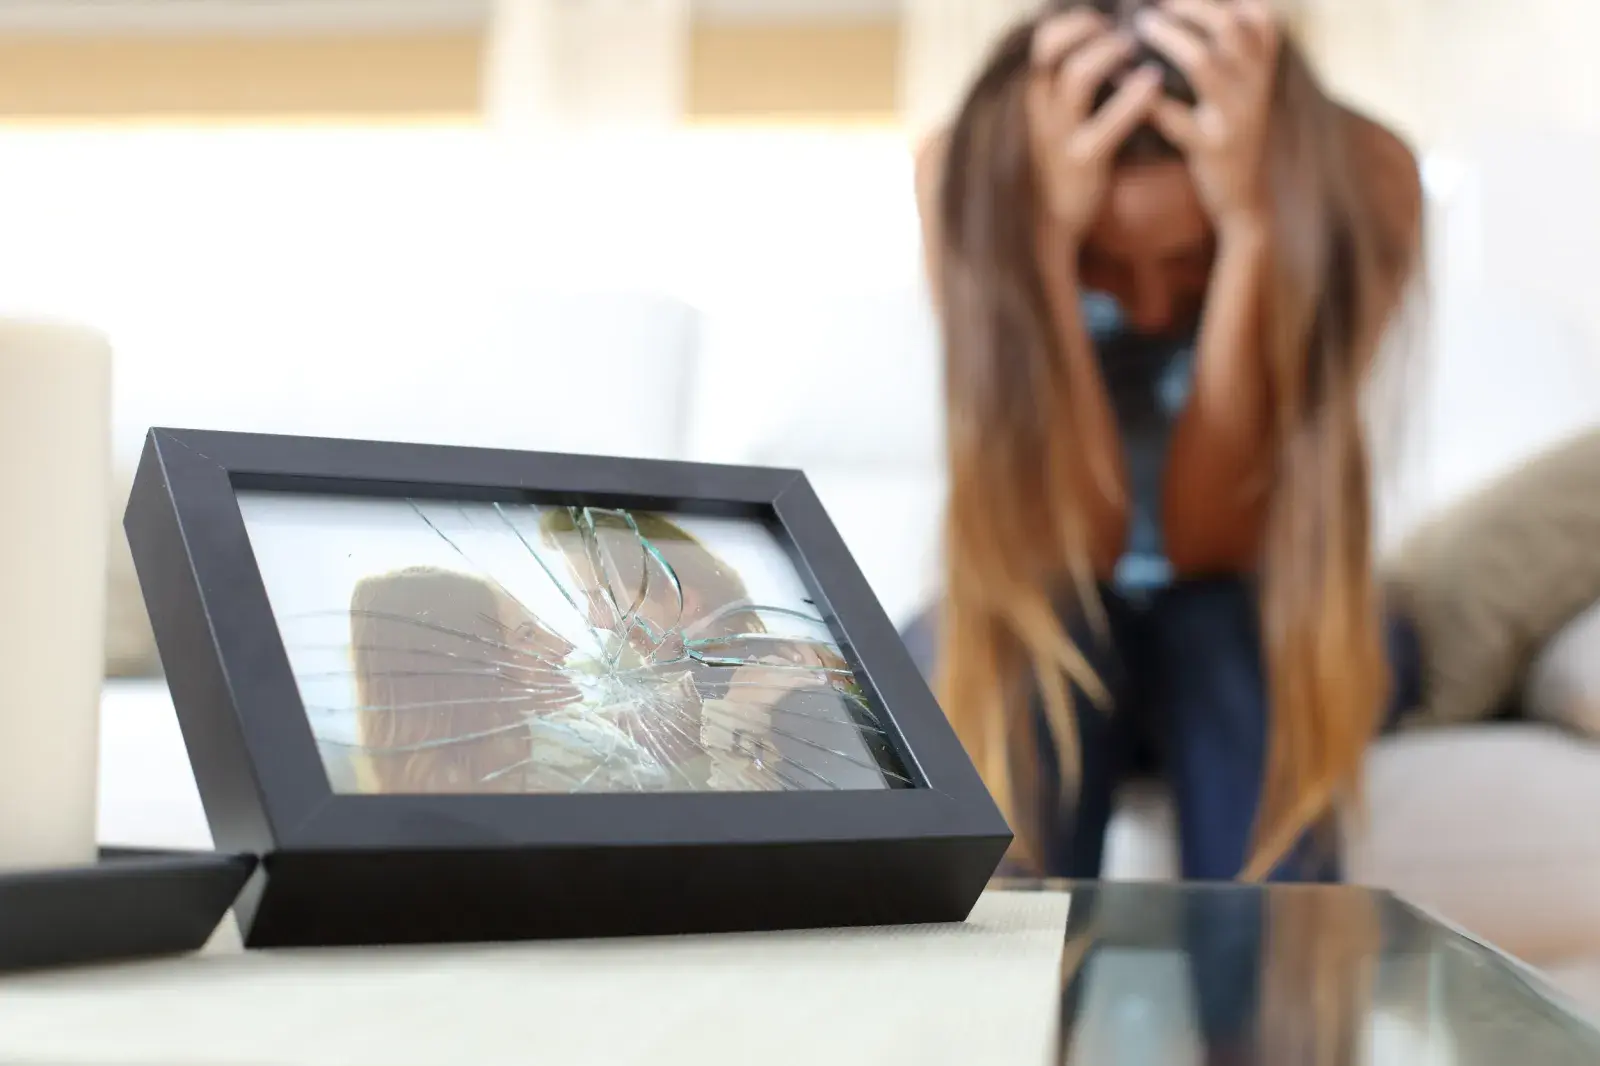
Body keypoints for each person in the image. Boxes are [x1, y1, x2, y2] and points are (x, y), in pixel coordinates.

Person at [901, 0, 1425, 884]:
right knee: (1027, 642)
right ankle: (992, 980)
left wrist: (1255, 227)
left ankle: (1274, 979)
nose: (1148, 309)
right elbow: (1067, 543)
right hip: (1053, 591)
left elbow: (1212, 542)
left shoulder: (1365, 174)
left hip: (1268, 597)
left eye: (1192, 260)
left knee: (1221, 633)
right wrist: (1041, 242)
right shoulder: (968, 171)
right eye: (1103, 264)